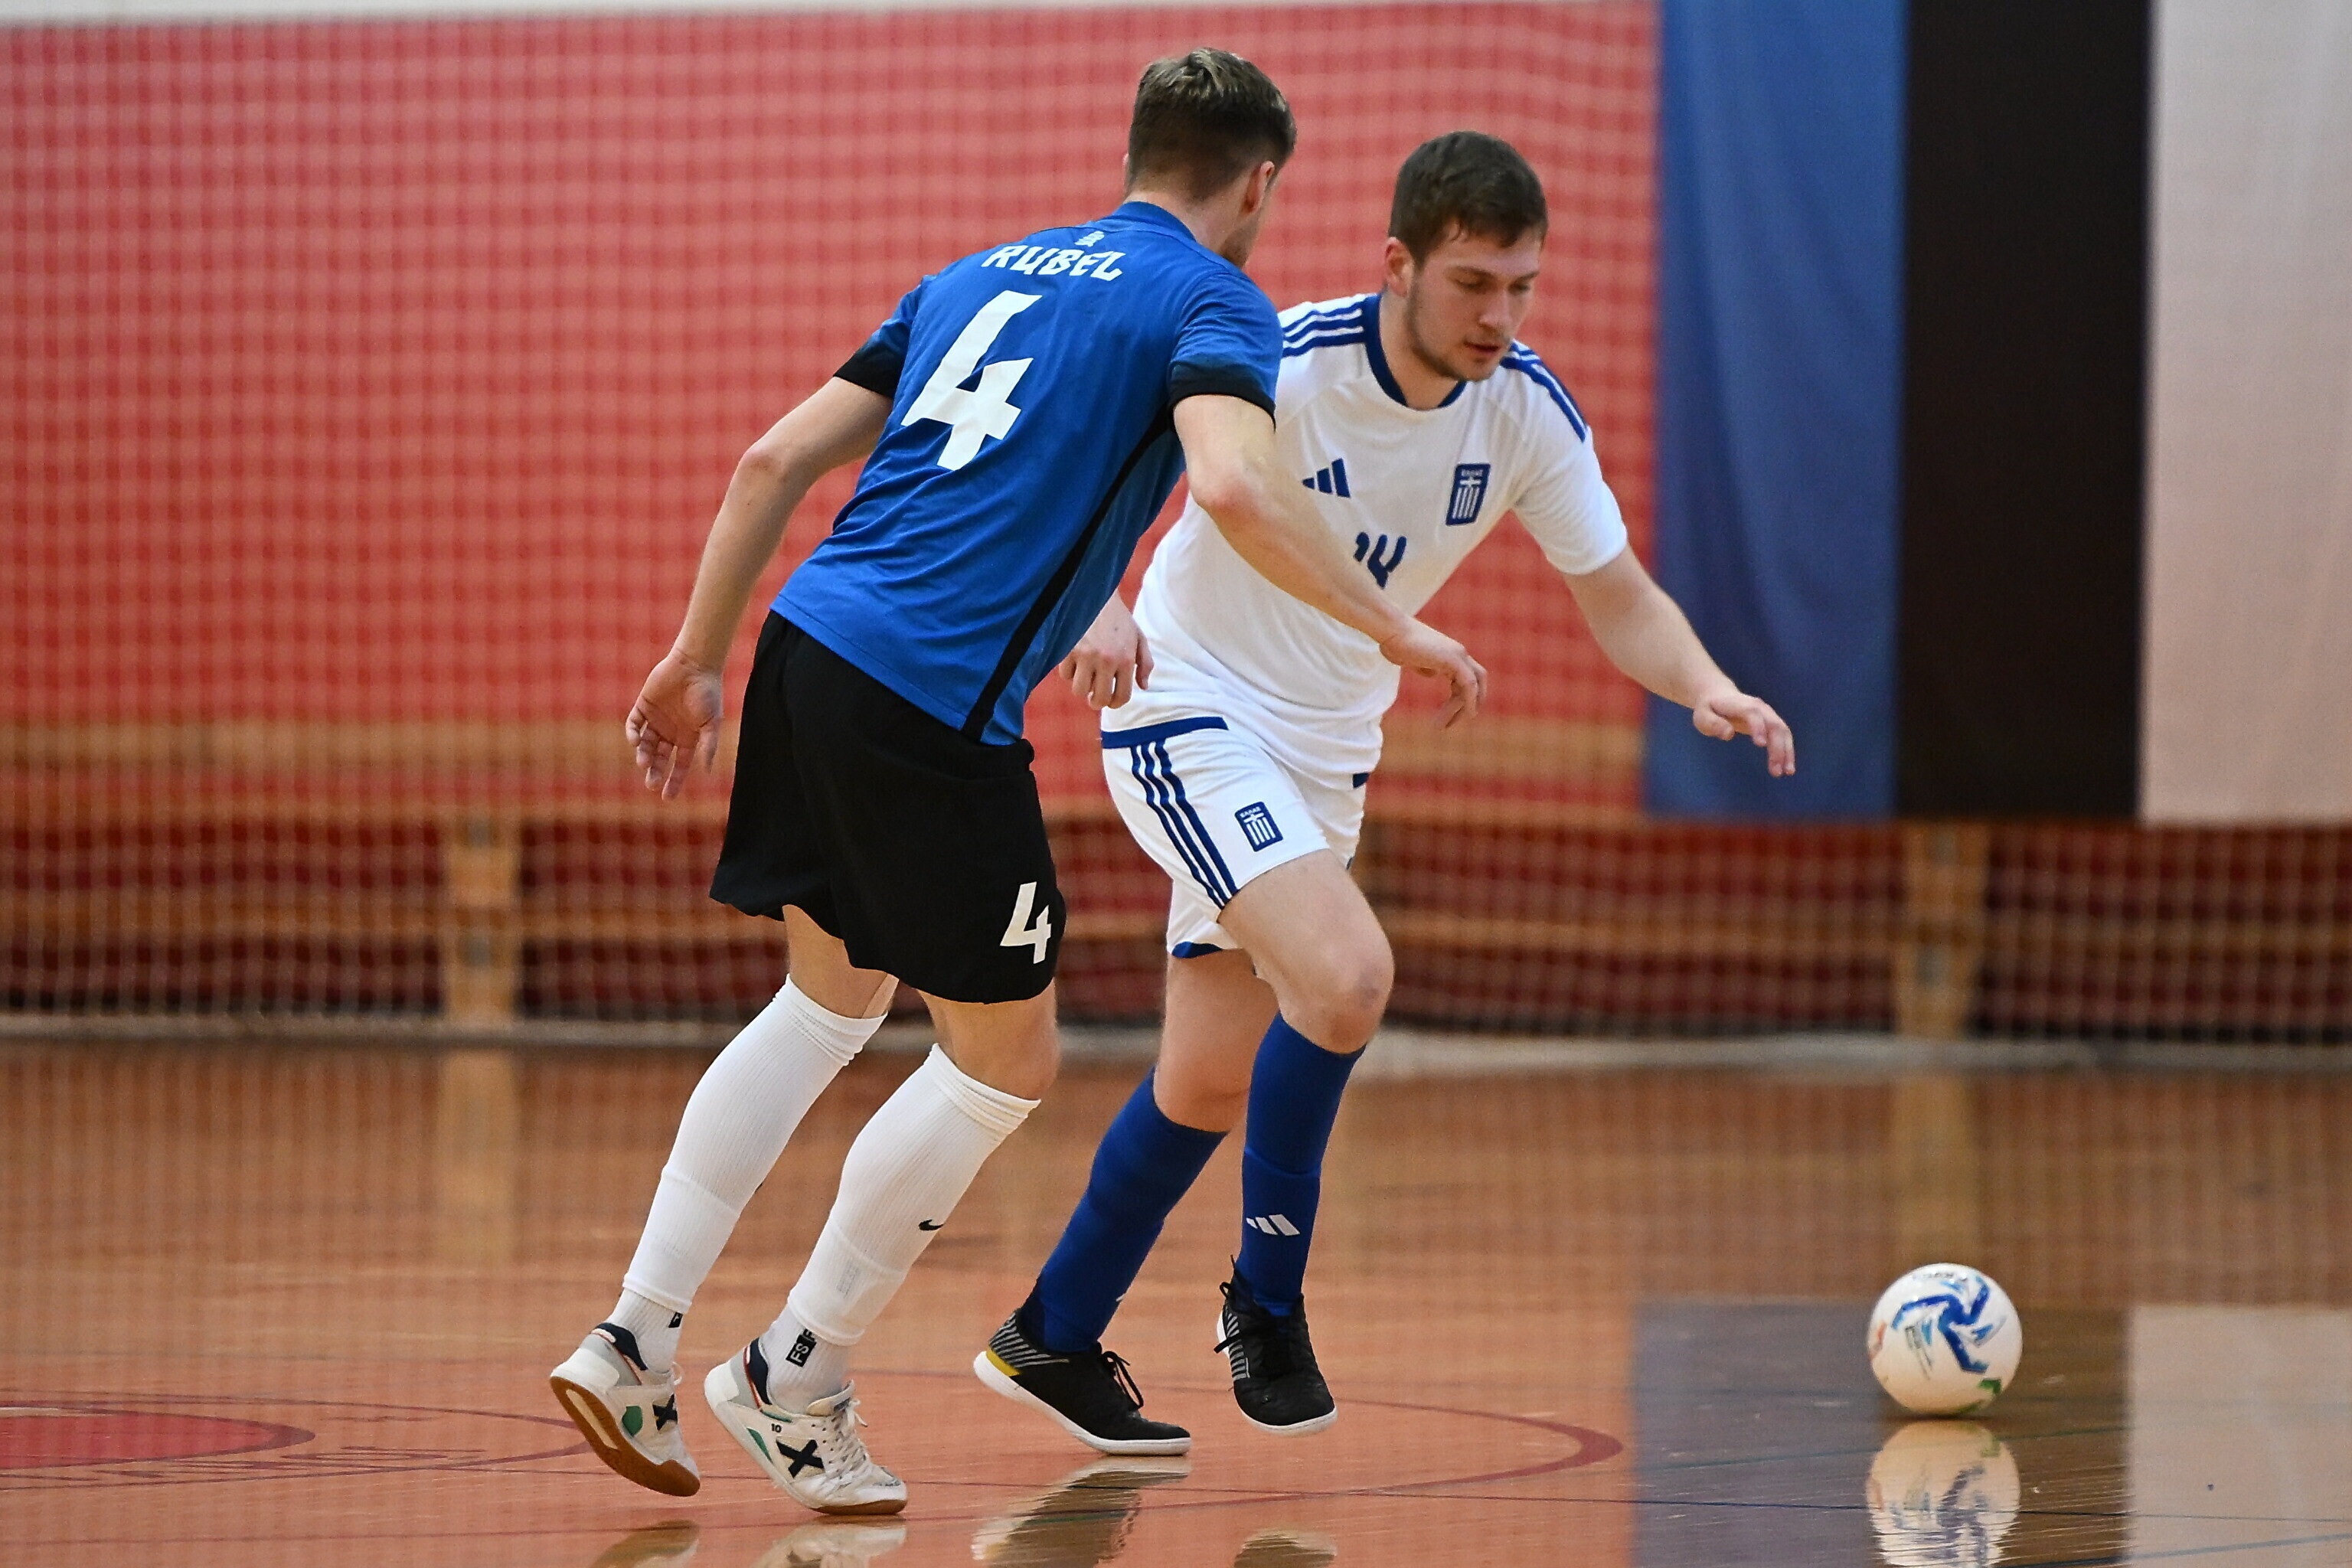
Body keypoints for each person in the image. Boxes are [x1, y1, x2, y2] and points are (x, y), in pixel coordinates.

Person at [546, 52, 1485, 1516]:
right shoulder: (1211, 300)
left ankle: (631, 1339)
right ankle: (796, 1373)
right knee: (1006, 1064)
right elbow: (1233, 487)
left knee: (826, 1006)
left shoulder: (976, 272)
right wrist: (1395, 625)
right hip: (929, 708)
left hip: (806, 648)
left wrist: (693, 658)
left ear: (1137, 150)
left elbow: (770, 462)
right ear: (1258, 184)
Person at [973, 131, 1795, 1455]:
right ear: (1399, 264)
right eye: (1473, 283)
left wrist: (1705, 685)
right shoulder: (1283, 359)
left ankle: (1051, 1334)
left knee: (1206, 1082)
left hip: (1323, 752)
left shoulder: (1523, 413)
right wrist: (1099, 600)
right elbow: (1088, 463)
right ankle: (1267, 1305)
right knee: (1350, 978)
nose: (1500, 316)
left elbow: (1617, 593)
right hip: (1188, 705)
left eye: (1521, 287)